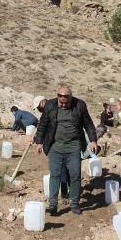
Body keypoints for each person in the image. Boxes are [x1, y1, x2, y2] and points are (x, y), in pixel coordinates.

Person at [33, 86, 98, 216]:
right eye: (60, 102)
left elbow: (88, 124)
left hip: (73, 146)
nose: (63, 105)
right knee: (55, 175)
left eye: (65, 102)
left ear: (70, 98)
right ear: (57, 97)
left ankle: (74, 203)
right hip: (55, 147)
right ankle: (53, 205)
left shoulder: (79, 105)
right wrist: (39, 142)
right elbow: (42, 125)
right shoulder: (50, 105)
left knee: (75, 175)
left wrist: (93, 140)